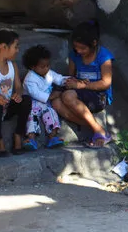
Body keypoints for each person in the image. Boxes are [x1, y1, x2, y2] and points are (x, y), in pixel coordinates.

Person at [52, 20, 113, 148]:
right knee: (56, 103)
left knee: (68, 96)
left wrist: (83, 86)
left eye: (83, 48)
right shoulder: (74, 55)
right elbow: (72, 76)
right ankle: (97, 128)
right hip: (79, 92)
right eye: (76, 47)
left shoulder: (103, 56)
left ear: (94, 43)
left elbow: (106, 83)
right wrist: (72, 82)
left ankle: (99, 131)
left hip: (99, 96)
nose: (79, 51)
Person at [0, 29, 35, 157]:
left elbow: (18, 86)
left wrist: (18, 94)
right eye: (15, 47)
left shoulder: (13, 66)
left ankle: (18, 135)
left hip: (8, 107)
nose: (17, 50)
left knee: (26, 100)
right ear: (3, 47)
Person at [22, 45, 68, 149]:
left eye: (48, 65)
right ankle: (31, 138)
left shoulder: (49, 73)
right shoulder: (29, 79)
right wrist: (51, 96)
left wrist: (68, 80)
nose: (46, 68)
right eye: (43, 67)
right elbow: (35, 94)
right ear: (33, 67)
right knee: (31, 117)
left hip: (46, 103)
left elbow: (59, 79)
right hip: (33, 103)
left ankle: (52, 137)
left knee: (52, 114)